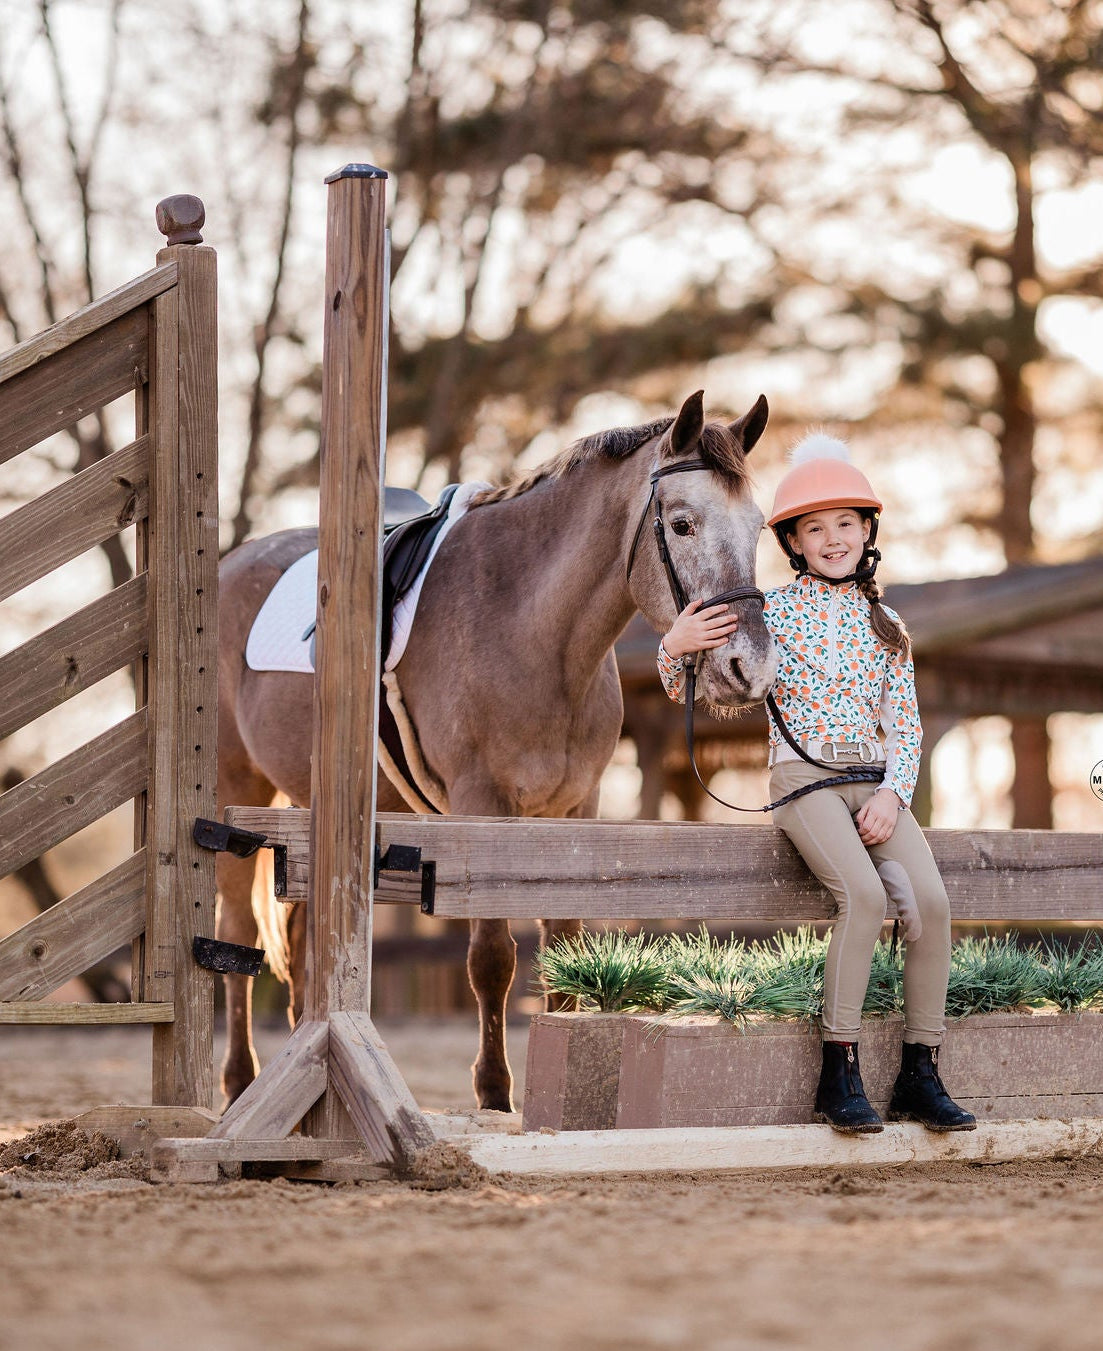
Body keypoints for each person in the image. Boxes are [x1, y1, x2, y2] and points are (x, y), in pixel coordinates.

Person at [657, 432, 976, 1135]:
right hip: (805, 779)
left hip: (876, 781)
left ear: (866, 533)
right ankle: (839, 1071)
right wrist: (672, 648)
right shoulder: (765, 613)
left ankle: (920, 1070)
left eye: (845, 524)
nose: (832, 538)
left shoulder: (888, 624)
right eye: (814, 528)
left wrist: (894, 793)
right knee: (860, 896)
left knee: (931, 904)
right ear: (793, 543)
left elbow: (909, 727)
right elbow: (704, 680)